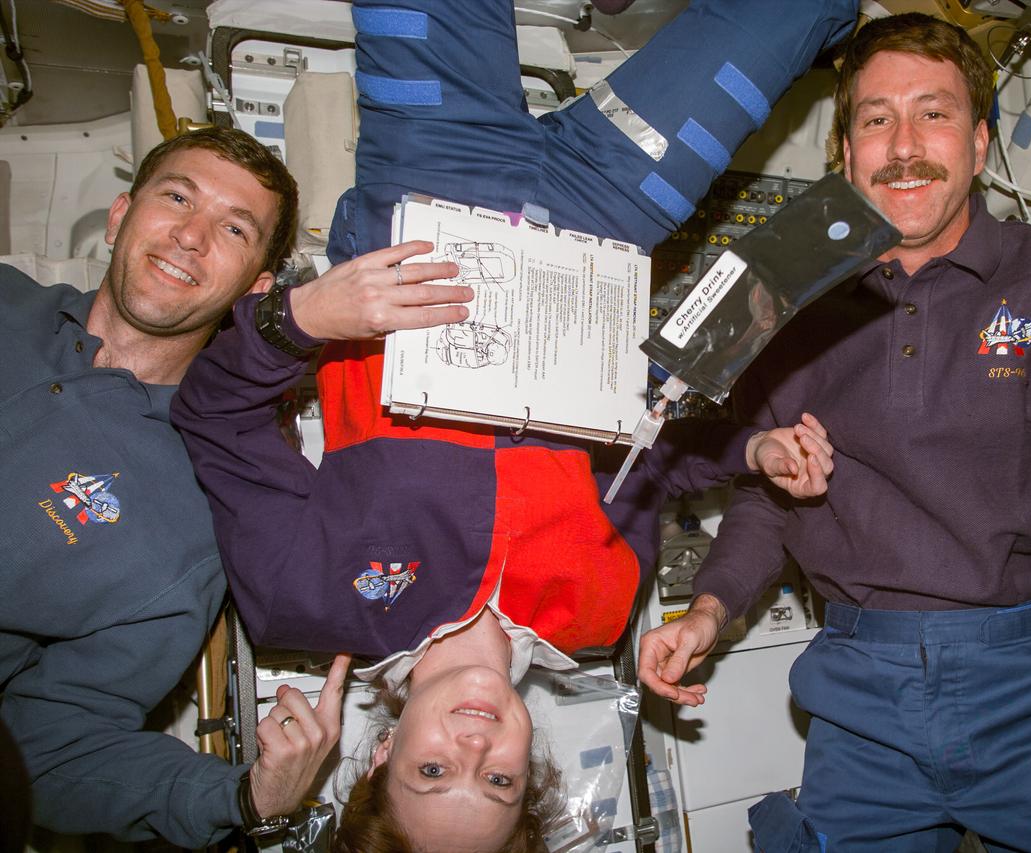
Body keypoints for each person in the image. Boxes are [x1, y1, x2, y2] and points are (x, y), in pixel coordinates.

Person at [171, 1, 856, 850]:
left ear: (382, 750)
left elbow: (212, 415)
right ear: (530, 766)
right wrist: (751, 449)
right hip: (605, 212)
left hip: (430, 185)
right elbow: (651, 455)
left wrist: (304, 317)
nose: (473, 742)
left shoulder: (305, 600)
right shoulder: (598, 612)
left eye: (432, 770)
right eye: (496, 778)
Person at [637, 12, 1031, 852]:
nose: (904, 145)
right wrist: (708, 613)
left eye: (933, 113)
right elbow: (771, 497)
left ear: (979, 144)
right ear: (845, 155)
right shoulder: (784, 310)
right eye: (876, 119)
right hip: (857, 706)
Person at [0, 128, 371, 846]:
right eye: (177, 197)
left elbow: (53, 744)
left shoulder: (191, 525)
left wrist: (243, 796)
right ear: (119, 216)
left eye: (234, 228)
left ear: (256, 290)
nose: (191, 237)